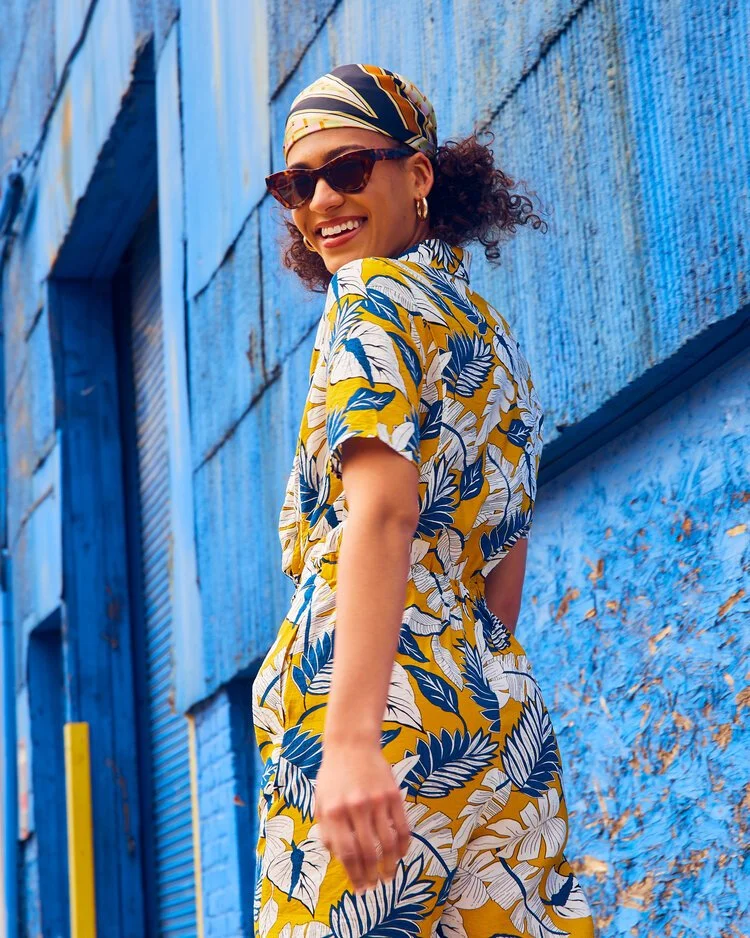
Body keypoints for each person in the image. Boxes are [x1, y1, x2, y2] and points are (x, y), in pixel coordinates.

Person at [253, 63, 596, 938]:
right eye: (298, 183)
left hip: (378, 718)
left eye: (350, 168)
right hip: (497, 722)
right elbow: (501, 572)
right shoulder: (488, 333)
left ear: (418, 175)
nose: (321, 199)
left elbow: (383, 512)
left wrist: (350, 739)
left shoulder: (368, 299)